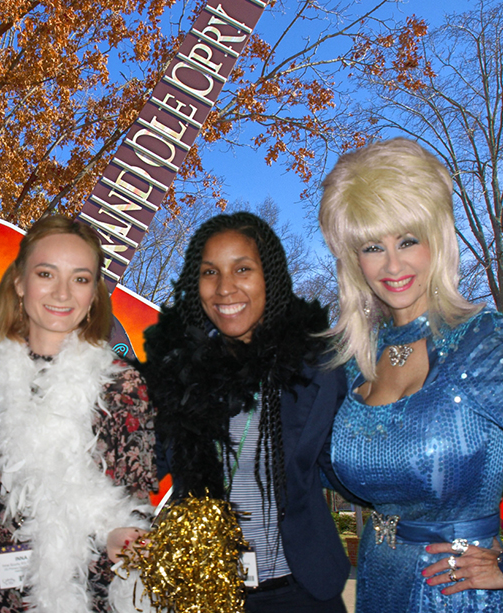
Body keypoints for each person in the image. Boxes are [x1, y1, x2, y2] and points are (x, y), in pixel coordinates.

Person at [317, 137, 503, 612]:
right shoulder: (355, 360)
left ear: (436, 239)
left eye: (407, 240)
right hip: (375, 579)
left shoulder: (477, 340)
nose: (393, 265)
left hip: (451, 589)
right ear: (354, 261)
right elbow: (328, 469)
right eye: (373, 247)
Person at [141, 212, 354, 612]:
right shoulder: (175, 375)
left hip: (303, 590)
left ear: (269, 277)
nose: (225, 288)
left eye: (242, 269)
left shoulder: (318, 370)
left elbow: (354, 469)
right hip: (206, 592)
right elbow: (136, 466)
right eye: (210, 272)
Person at [0, 215, 157, 613]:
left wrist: (122, 533)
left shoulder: (122, 387)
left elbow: (134, 504)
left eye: (80, 279)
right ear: (20, 282)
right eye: (46, 274)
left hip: (85, 594)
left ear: (94, 295)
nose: (63, 293)